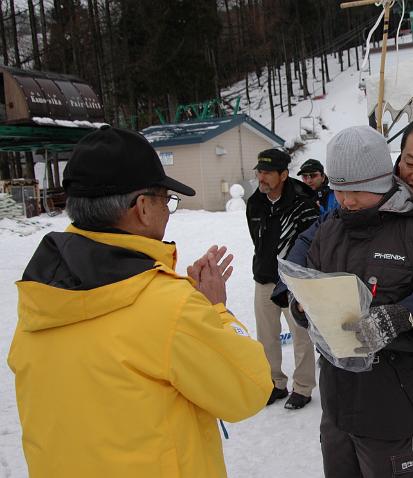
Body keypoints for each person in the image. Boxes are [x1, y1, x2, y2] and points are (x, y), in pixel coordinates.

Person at [7, 126, 273, 477]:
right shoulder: (167, 306)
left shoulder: (42, 295)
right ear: (143, 207)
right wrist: (216, 311)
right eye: (166, 200)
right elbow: (249, 389)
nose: (168, 211)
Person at [277, 117, 413, 477]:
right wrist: (300, 288)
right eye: (410, 163)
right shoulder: (371, 195)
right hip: (380, 378)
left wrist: (407, 314)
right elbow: (314, 237)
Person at [290, 125, 413, 477]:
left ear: (382, 182)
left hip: (394, 407)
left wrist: (391, 324)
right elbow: (308, 290)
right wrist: (303, 308)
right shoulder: (328, 231)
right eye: (339, 190)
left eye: (358, 190)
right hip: (338, 403)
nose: (348, 201)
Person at [247, 148, 320, 409]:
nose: (261, 177)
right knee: (266, 337)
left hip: (293, 282)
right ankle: (275, 383)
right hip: (263, 278)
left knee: (301, 336)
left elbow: (313, 244)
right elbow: (257, 241)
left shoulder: (303, 202)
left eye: (268, 173)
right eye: (260, 171)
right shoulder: (255, 203)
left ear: (284, 174)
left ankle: (303, 387)